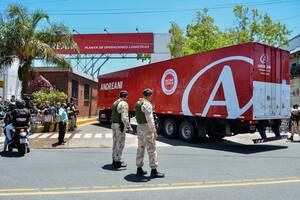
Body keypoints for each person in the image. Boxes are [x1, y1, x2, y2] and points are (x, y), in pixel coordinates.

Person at [135, 89, 164, 178]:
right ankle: (154, 171)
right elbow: (150, 120)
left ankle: (139, 169)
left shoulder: (138, 103)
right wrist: (154, 131)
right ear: (149, 95)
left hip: (139, 127)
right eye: (151, 96)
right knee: (151, 149)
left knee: (140, 148)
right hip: (147, 128)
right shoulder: (147, 104)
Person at [111, 90, 133, 168]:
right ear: (126, 96)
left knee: (115, 142)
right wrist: (129, 127)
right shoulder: (124, 103)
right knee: (120, 143)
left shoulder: (115, 102)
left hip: (113, 124)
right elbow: (124, 117)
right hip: (119, 126)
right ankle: (118, 161)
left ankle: (114, 159)